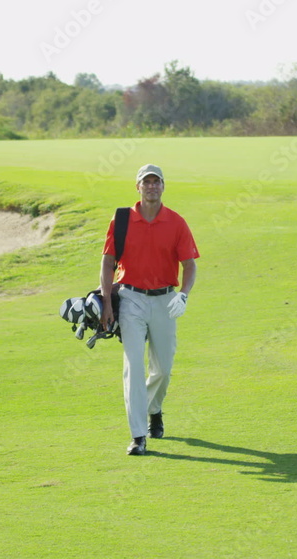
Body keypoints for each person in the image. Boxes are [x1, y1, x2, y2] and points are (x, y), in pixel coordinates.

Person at [99, 164, 199, 456]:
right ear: (138, 187)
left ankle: (154, 408)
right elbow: (107, 263)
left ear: (163, 186)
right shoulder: (122, 219)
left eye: (157, 182)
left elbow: (189, 265)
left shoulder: (176, 222)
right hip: (131, 298)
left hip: (165, 300)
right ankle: (138, 435)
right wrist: (107, 302)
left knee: (163, 369)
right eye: (147, 182)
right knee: (134, 365)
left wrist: (183, 295)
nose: (152, 186)